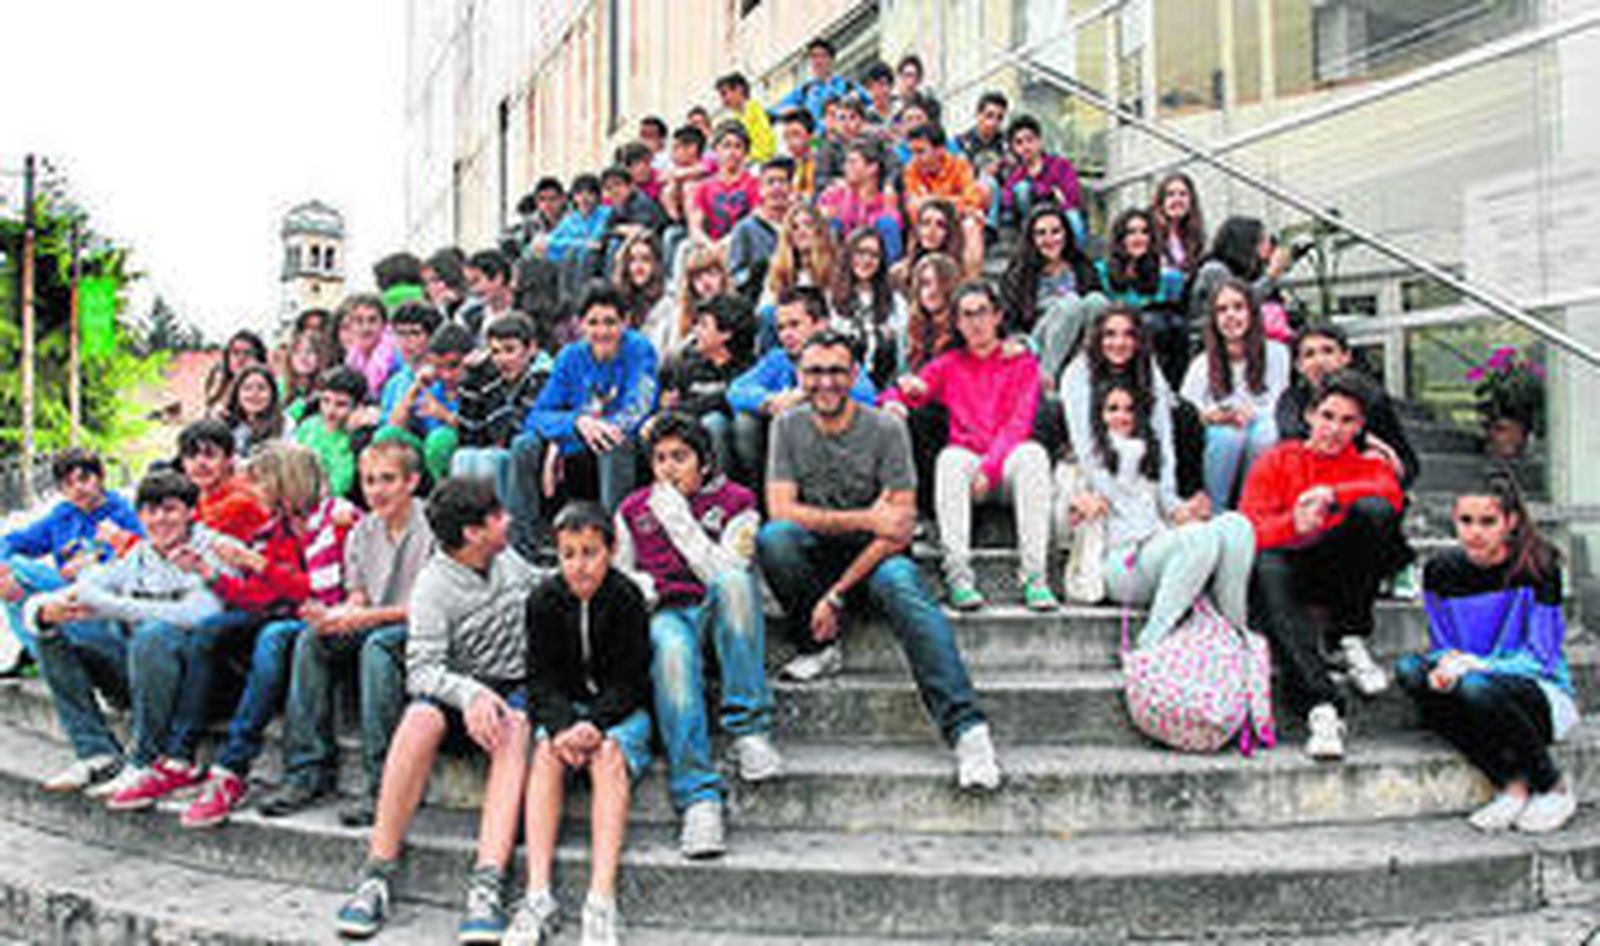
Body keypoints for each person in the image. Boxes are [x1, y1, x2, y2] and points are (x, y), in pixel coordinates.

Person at [756, 330, 1000, 790]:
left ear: (854, 375)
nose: (824, 382)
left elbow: (898, 530)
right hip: (821, 555)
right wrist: (867, 516)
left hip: (878, 560)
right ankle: (819, 647)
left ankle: (968, 730)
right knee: (775, 538)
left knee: (904, 584)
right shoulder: (787, 426)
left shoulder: (886, 429)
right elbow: (783, 511)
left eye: (835, 371)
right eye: (813, 371)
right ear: (799, 376)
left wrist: (837, 593)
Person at [335, 477, 538, 942]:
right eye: (497, 515)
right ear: (473, 532)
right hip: (458, 695)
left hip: (512, 692)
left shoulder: (507, 560)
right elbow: (422, 672)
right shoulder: (433, 586)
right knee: (418, 718)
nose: (507, 520)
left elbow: (544, 585)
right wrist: (468, 694)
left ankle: (487, 882)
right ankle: (377, 872)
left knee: (516, 726)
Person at [614, 415, 779, 860]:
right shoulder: (632, 509)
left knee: (734, 582)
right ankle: (698, 797)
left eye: (680, 458)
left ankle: (748, 726)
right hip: (666, 613)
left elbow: (726, 572)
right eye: (660, 459)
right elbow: (622, 575)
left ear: (703, 464)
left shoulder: (738, 503)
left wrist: (680, 523)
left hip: (718, 613)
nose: (668, 469)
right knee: (669, 650)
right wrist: (643, 588)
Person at [259, 440, 436, 827]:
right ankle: (307, 771)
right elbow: (358, 596)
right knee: (312, 638)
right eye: (369, 481)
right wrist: (335, 616)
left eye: (388, 479)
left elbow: (430, 610)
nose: (377, 490)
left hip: (427, 635)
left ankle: (385, 785)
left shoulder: (435, 526)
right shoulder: (361, 532)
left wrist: (362, 618)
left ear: (413, 481)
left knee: (377, 646)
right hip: (378, 623)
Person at [30, 471, 232, 797]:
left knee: (154, 633)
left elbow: (198, 613)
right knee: (49, 630)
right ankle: (97, 753)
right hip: (143, 672)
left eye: (169, 509)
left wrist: (110, 606)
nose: (159, 520)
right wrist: (45, 610)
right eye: (151, 512)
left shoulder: (213, 549)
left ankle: (144, 761)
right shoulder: (141, 555)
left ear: (190, 512)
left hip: (201, 685)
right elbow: (89, 586)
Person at [1396, 474, 1578, 834]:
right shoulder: (1440, 570)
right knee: (1409, 670)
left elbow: (1541, 656)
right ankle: (1510, 786)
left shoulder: (1539, 566)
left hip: (1540, 694)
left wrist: (1476, 665)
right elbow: (1445, 642)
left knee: (1476, 685)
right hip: (1473, 683)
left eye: (1487, 521)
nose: (1474, 532)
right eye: (1465, 521)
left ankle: (1552, 785)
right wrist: (1445, 665)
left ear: (1510, 522)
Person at [1240, 370, 1405, 761]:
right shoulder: (1277, 459)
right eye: (1328, 416)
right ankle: (1322, 707)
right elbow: (1248, 530)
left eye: (1347, 421)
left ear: (1360, 426)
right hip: (1286, 572)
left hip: (1340, 574)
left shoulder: (1369, 466)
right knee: (1266, 565)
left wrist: (1332, 493)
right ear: (1311, 415)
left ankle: (1349, 636)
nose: (1334, 429)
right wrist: (1292, 525)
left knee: (1375, 511)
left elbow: (1391, 496)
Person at [508, 502, 651, 946]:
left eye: (590, 552)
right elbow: (540, 679)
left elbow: (632, 680)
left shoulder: (627, 598)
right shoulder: (544, 600)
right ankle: (538, 895)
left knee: (608, 755)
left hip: (619, 712)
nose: (579, 565)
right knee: (547, 752)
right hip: (565, 712)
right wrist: (565, 724)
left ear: (610, 551)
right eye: (569, 554)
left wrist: (595, 723)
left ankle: (601, 899)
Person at [179, 443, 331, 828]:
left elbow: (315, 587)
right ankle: (180, 752)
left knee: (272, 638)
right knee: (211, 630)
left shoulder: (329, 520)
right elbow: (259, 597)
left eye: (260, 481)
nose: (253, 490)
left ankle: (233, 766)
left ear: (284, 481)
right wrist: (211, 574)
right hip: (280, 611)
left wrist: (256, 562)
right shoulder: (274, 528)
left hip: (318, 615)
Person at [883, 282, 1056, 612]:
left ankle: (1035, 577)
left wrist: (990, 469)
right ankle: (959, 577)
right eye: (967, 315)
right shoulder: (950, 364)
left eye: (982, 312)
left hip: (1006, 466)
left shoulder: (1022, 364)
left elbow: (1019, 424)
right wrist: (894, 400)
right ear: (958, 324)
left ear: (997, 316)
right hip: (966, 464)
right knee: (949, 459)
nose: (975, 322)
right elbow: (909, 389)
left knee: (1033, 455)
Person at [1081, 379, 1253, 648]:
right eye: (1112, 409)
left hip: (1156, 547)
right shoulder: (1085, 460)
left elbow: (1169, 508)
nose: (1122, 416)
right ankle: (1151, 640)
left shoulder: (1152, 453)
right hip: (1120, 561)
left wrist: (1188, 510)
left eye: (1130, 409)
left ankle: (1234, 631)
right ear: (1098, 415)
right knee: (1197, 538)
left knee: (1236, 525)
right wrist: (1079, 502)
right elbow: (1062, 520)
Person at [511, 284, 659, 556]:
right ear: (580, 325)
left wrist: (593, 430)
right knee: (524, 445)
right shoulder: (570, 356)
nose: (601, 331)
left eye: (610, 322)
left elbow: (640, 408)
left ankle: (615, 546)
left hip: (626, 445)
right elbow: (537, 415)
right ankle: (525, 546)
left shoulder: (640, 349)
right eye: (593, 323)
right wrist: (575, 424)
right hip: (580, 442)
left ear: (625, 322)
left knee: (613, 441)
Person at [0, 449, 143, 667]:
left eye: (84, 479)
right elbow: (13, 541)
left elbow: (144, 557)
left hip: (109, 606)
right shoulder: (62, 516)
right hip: (68, 598)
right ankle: (42, 656)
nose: (78, 488)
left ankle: (53, 658)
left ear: (101, 477)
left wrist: (96, 561)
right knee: (12, 572)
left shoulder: (125, 513)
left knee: (17, 568)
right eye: (68, 483)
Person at [727, 287, 876, 487]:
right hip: (783, 452)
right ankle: (757, 502)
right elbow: (736, 389)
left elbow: (866, 397)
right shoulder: (778, 359)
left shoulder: (840, 356)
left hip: (833, 454)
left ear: (821, 324)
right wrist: (770, 401)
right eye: (780, 328)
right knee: (746, 421)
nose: (786, 334)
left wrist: (805, 396)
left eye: (794, 325)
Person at [1181, 278, 1291, 509]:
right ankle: (1216, 510)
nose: (1231, 315)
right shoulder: (1202, 364)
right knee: (1228, 436)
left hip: (1261, 426)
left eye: (1238, 307)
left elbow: (1282, 402)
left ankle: (1252, 505)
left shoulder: (1278, 354)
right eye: (1222, 310)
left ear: (1251, 312)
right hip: (1219, 437)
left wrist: (1251, 414)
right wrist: (1215, 415)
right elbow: (1187, 412)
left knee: (1265, 433)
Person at [1276, 324, 1419, 489]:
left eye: (1328, 351)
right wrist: (1363, 439)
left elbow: (1406, 460)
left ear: (1346, 357)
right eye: (1309, 354)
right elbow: (1293, 437)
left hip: (1361, 487)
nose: (1320, 361)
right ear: (1299, 366)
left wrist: (1384, 459)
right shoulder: (1291, 399)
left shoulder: (1372, 398)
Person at [451, 313, 555, 504]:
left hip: (535, 456)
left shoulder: (543, 378)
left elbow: (508, 433)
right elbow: (469, 436)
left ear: (531, 348)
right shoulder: (494, 376)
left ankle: (510, 526)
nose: (502, 360)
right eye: (495, 352)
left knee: (495, 460)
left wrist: (490, 382)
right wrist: (471, 383)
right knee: (462, 457)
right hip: (500, 450)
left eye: (509, 350)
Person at [999, 204, 1106, 385]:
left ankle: (1090, 370)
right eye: (1041, 233)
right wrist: (1019, 343)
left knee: (1097, 301)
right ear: (1031, 239)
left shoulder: (1082, 266)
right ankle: (1045, 378)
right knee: (1070, 303)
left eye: (1055, 232)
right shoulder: (1019, 273)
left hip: (1080, 340)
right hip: (1039, 341)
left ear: (1066, 234)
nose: (1049, 239)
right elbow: (1009, 322)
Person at [658, 294, 757, 479]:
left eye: (703, 325)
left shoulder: (749, 367)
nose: (695, 331)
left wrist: (689, 407)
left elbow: (728, 400)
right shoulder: (685, 365)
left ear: (725, 334)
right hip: (693, 448)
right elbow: (672, 406)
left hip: (735, 448)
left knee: (715, 422)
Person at [381, 321, 471, 483]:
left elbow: (477, 431)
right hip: (425, 456)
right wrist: (415, 388)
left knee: (440, 440)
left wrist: (444, 415)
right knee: (385, 435)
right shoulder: (432, 386)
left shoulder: (476, 388)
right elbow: (394, 424)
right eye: (439, 367)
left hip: (461, 454)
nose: (446, 375)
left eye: (453, 366)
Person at [830, 227, 908, 389]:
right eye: (860, 252)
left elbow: (901, 359)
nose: (866, 260)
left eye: (874, 255)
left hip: (884, 388)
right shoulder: (830, 299)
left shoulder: (896, 302)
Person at [901, 123, 986, 263]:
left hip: (956, 221)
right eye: (912, 152)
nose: (915, 158)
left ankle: (971, 281)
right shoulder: (911, 169)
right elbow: (915, 207)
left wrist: (932, 200)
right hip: (926, 222)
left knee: (971, 224)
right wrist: (953, 201)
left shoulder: (960, 165)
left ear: (940, 150)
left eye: (920, 151)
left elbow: (972, 200)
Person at [179, 418, 272, 542]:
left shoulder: (238, 502)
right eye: (191, 455)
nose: (200, 463)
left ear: (229, 459)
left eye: (210, 455)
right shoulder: (197, 495)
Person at [816, 140, 904, 264]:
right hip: (839, 263)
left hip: (874, 263)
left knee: (887, 225)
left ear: (872, 168)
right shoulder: (834, 194)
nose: (846, 167)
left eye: (853, 162)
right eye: (846, 162)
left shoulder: (886, 202)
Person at [998, 115, 1083, 235]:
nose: (1025, 146)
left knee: (1073, 217)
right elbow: (1007, 200)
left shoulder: (1060, 165)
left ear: (1039, 141)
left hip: (1059, 216)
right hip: (1032, 222)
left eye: (1029, 140)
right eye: (1019, 143)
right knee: (1021, 188)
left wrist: (1042, 192)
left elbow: (1072, 197)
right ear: (1014, 148)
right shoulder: (1016, 175)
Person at [294, 367, 368, 500]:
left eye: (341, 404)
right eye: (325, 401)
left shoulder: (359, 440)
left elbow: (339, 487)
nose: (330, 411)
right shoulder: (308, 425)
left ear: (357, 407)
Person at [725, 158, 793, 301]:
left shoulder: (798, 224)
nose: (777, 187)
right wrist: (757, 273)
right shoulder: (746, 228)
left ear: (790, 187)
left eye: (782, 181)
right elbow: (735, 274)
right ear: (761, 189)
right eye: (770, 182)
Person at [537, 174, 612, 298]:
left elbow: (596, 242)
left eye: (590, 193)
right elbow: (550, 240)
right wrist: (579, 243)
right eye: (579, 194)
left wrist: (568, 243)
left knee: (576, 255)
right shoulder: (571, 219)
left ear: (597, 196)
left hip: (595, 264)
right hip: (568, 266)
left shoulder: (606, 214)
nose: (584, 198)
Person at [377, 301, 446, 436]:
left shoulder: (446, 377)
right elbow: (390, 428)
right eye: (400, 334)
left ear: (432, 337)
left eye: (415, 333)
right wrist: (415, 388)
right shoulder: (395, 383)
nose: (406, 341)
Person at [688, 121, 760, 246]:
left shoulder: (755, 184)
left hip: (744, 246)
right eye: (726, 146)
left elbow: (755, 221)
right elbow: (695, 229)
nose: (732, 152)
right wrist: (710, 246)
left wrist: (725, 244)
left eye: (738, 146)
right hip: (712, 247)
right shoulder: (704, 187)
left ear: (745, 152)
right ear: (716, 150)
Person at [773, 37, 868, 126]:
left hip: (843, 139)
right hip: (816, 141)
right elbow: (775, 111)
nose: (818, 61)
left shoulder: (848, 86)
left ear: (831, 59)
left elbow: (873, 107)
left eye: (822, 56)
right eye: (813, 56)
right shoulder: (805, 91)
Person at [889, 197, 980, 291]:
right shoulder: (900, 272)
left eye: (940, 225)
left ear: (949, 232)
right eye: (926, 223)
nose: (931, 231)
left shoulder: (960, 273)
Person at [611, 231, 675, 353]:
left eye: (645, 260)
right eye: (633, 260)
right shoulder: (617, 300)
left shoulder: (669, 301)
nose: (638, 267)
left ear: (656, 264)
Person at [337, 294, 398, 404]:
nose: (365, 328)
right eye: (359, 321)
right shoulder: (351, 360)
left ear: (384, 325)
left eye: (372, 321)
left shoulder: (395, 358)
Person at [222, 364, 286, 456]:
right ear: (236, 394)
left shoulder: (285, 424)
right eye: (247, 388)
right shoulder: (225, 424)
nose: (254, 394)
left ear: (272, 394)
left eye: (261, 388)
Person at [1151, 171, 1207, 276]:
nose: (1177, 200)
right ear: (1161, 201)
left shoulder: (1194, 235)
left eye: (1183, 194)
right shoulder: (1149, 231)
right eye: (1170, 194)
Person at [715, 71, 775, 163]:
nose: (723, 101)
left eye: (724, 94)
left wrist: (749, 158)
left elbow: (766, 145)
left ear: (739, 89)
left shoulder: (754, 108)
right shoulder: (736, 117)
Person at [205, 330, 270, 415]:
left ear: (259, 358)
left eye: (248, 353)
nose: (241, 358)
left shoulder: (267, 390)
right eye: (235, 352)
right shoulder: (220, 390)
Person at [459, 249, 518, 339]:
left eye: (476, 281)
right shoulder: (469, 315)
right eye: (469, 283)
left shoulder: (527, 311)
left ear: (498, 277)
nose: (473, 289)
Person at [776, 109, 820, 201]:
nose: (791, 142)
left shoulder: (821, 159)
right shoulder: (792, 164)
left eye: (796, 134)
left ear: (811, 135)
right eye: (786, 137)